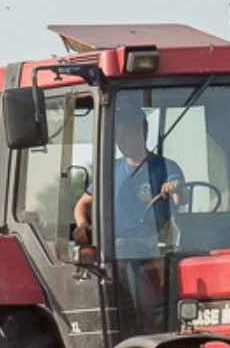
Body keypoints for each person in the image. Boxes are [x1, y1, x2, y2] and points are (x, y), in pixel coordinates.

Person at [72, 105, 184, 258]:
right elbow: (82, 204)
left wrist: (175, 190)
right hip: (119, 245)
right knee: (119, 249)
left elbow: (181, 197)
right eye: (117, 136)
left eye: (126, 134)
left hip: (155, 243)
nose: (120, 141)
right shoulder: (109, 170)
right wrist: (83, 225)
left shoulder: (165, 167)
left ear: (143, 132)